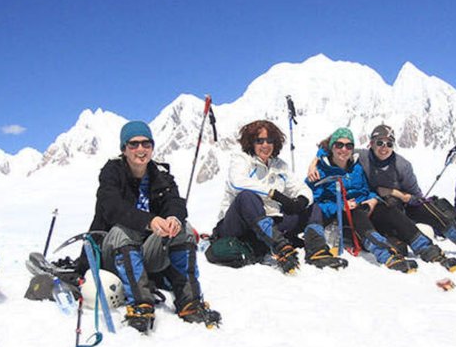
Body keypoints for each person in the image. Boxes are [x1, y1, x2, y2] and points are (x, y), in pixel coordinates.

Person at [90, 120, 220, 334]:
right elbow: (112, 207)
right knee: (122, 232)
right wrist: (149, 221)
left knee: (183, 229)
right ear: (124, 149)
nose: (140, 149)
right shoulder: (112, 172)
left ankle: (189, 302)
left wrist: (173, 219)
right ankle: (140, 304)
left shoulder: (160, 174)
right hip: (113, 254)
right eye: (133, 144)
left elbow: (175, 202)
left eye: (146, 144)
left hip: (146, 253)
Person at [316, 124, 456, 264]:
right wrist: (314, 163)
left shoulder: (402, 165)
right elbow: (332, 151)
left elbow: (417, 197)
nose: (384, 147)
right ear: (371, 143)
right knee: (389, 211)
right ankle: (403, 243)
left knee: (428, 209)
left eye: (389, 144)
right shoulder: (361, 156)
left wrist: (394, 192)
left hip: (404, 205)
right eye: (380, 142)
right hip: (378, 210)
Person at [213, 120, 346, 273]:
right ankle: (281, 248)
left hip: (269, 224)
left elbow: (301, 188)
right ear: (251, 142)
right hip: (237, 224)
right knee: (247, 197)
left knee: (312, 207)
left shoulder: (279, 165)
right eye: (259, 140)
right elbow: (237, 182)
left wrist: (301, 201)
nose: (265, 145)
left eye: (269, 140)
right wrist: (275, 195)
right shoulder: (241, 159)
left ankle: (317, 251)